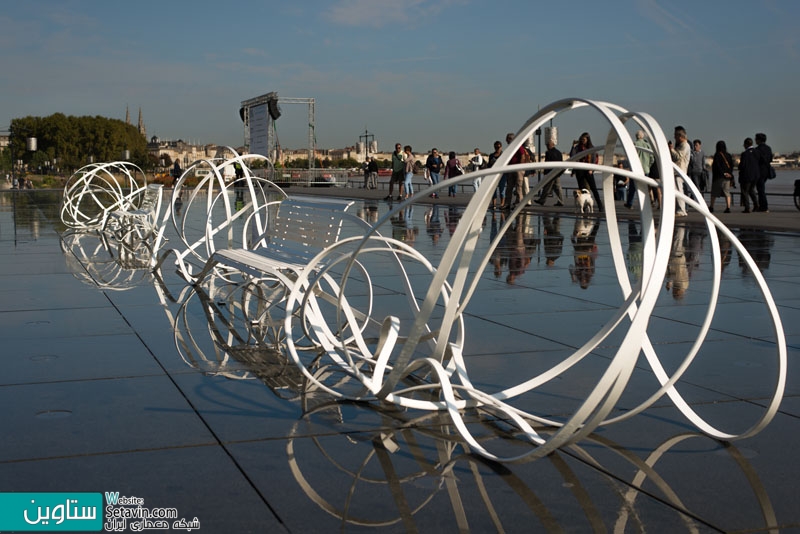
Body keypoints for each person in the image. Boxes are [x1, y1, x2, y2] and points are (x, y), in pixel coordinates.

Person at [570, 132, 603, 211]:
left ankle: (600, 205)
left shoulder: (591, 148)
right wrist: (573, 146)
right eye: (581, 139)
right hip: (580, 170)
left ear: (588, 140)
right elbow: (572, 156)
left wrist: (592, 169)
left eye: (584, 139)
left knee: (593, 188)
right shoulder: (578, 148)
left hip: (588, 170)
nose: (582, 141)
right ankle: (583, 206)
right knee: (581, 188)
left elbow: (595, 159)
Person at [626, 130, 655, 209]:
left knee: (632, 187)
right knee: (645, 187)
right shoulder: (647, 145)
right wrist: (648, 165)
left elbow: (631, 156)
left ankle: (630, 203)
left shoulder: (634, 144)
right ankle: (646, 204)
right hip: (645, 169)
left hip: (636, 169)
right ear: (642, 136)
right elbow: (652, 158)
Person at [535, 139, 565, 206]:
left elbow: (547, 163)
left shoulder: (548, 153)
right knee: (557, 187)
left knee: (547, 187)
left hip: (550, 173)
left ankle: (542, 200)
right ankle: (561, 201)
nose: (547, 146)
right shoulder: (559, 152)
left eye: (547, 145)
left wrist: (545, 172)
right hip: (557, 172)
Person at [504, 132, 529, 209]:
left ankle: (518, 202)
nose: (506, 141)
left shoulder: (518, 147)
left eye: (507, 139)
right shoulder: (509, 148)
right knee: (509, 187)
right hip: (511, 169)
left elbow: (522, 156)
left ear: (511, 139)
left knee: (518, 186)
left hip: (518, 169)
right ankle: (507, 203)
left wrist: (519, 166)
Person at [709, 140, 734, 213]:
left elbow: (717, 166)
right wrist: (729, 173)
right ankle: (728, 207)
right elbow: (731, 165)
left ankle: (711, 207)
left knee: (714, 192)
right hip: (727, 177)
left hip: (718, 177)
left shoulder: (717, 155)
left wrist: (723, 173)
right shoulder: (728, 155)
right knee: (727, 192)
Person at [670, 126, 690, 216]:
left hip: (680, 170)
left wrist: (671, 149)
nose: (674, 137)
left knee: (679, 190)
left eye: (675, 135)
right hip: (678, 170)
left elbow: (678, 156)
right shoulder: (682, 145)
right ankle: (680, 209)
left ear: (680, 136)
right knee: (677, 190)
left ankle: (681, 210)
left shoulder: (684, 145)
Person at [738, 138, 760, 213]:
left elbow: (742, 165)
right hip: (755, 175)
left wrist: (739, 167)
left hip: (746, 175)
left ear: (746, 144)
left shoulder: (745, 154)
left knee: (745, 191)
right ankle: (756, 205)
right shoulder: (757, 152)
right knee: (752, 190)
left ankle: (747, 207)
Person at [754, 133, 773, 212]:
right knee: (761, 188)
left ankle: (764, 207)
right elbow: (770, 159)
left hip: (759, 171)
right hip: (766, 170)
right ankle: (762, 206)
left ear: (758, 140)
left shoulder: (757, 149)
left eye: (756, 139)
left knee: (760, 189)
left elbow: (756, 160)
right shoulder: (768, 148)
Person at [487, 141, 504, 209]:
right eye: (495, 147)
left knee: (502, 189)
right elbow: (489, 165)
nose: (497, 148)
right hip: (493, 174)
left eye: (498, 147)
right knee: (493, 189)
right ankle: (493, 204)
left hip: (502, 174)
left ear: (501, 147)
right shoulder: (491, 155)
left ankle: (502, 203)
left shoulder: (503, 154)